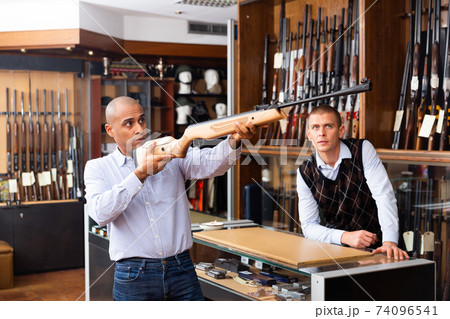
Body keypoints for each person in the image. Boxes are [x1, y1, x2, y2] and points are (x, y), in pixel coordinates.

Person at [84, 96, 256, 301]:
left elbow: (211, 163)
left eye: (141, 120)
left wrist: (234, 140)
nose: (139, 128)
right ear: (110, 130)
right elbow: (100, 213)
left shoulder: (169, 151)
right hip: (133, 275)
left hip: (181, 268)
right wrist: (140, 175)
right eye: (129, 123)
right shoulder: (97, 168)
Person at [296, 104, 409, 260]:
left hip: (378, 249)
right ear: (309, 134)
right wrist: (344, 237)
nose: (321, 133)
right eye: (315, 127)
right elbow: (308, 226)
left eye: (328, 126)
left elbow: (384, 195)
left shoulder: (362, 150)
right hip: (335, 252)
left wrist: (390, 242)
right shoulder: (304, 172)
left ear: (341, 130)